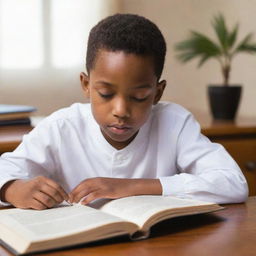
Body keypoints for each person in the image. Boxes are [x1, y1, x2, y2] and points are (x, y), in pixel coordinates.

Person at [0, 14, 248, 210]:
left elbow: (233, 183)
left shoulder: (174, 122)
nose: (121, 111)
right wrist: (11, 189)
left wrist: (131, 187)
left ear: (157, 93)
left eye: (139, 97)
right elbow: (5, 170)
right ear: (86, 85)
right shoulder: (62, 126)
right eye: (106, 94)